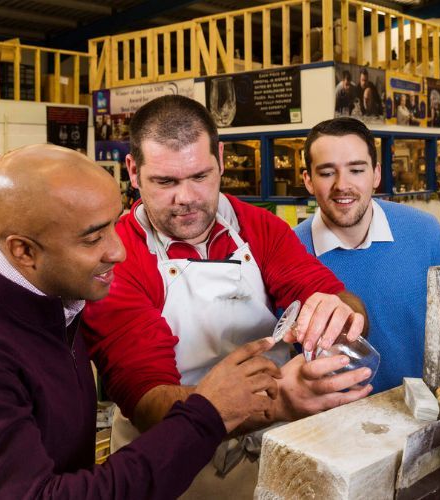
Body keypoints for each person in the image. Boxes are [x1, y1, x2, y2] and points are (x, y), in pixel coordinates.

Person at [0, 144, 283, 498]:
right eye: (93, 238)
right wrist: (208, 412)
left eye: (114, 226)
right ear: (24, 251)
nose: (119, 252)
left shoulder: (57, 299)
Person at [81, 95, 373, 497]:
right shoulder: (116, 260)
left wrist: (341, 312)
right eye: (165, 182)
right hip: (176, 470)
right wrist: (273, 403)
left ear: (220, 158)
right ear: (133, 171)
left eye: (200, 176)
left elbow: (332, 296)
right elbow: (150, 403)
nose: (185, 197)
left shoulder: (259, 228)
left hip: (274, 456)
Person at [295, 117, 440, 393]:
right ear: (308, 180)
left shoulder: (426, 234)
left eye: (356, 170)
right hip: (328, 427)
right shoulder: (289, 253)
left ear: (376, 174)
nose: (342, 185)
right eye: (327, 172)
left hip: (420, 415)